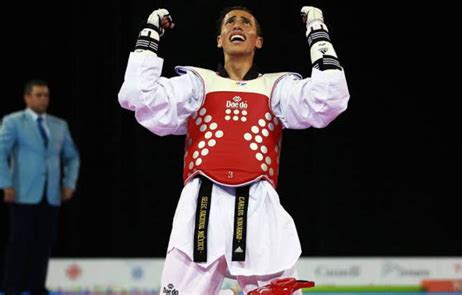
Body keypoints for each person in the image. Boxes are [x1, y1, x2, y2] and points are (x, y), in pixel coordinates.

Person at [119, 5, 349, 295]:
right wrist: (150, 33)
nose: (237, 26)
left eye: (246, 23)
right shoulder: (197, 83)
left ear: (258, 41)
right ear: (219, 39)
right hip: (201, 204)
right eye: (230, 22)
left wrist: (317, 30)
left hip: (258, 204)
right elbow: (137, 94)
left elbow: (332, 98)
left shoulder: (276, 87)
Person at [0, 79, 80, 295]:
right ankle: (11, 287)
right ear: (27, 97)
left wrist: (68, 183)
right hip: (23, 192)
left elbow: (72, 157)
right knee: (19, 243)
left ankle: (37, 287)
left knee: (44, 244)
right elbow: (1, 152)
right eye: (38, 95)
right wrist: (5, 183)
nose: (43, 99)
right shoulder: (13, 122)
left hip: (51, 194)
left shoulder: (59, 125)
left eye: (46, 95)